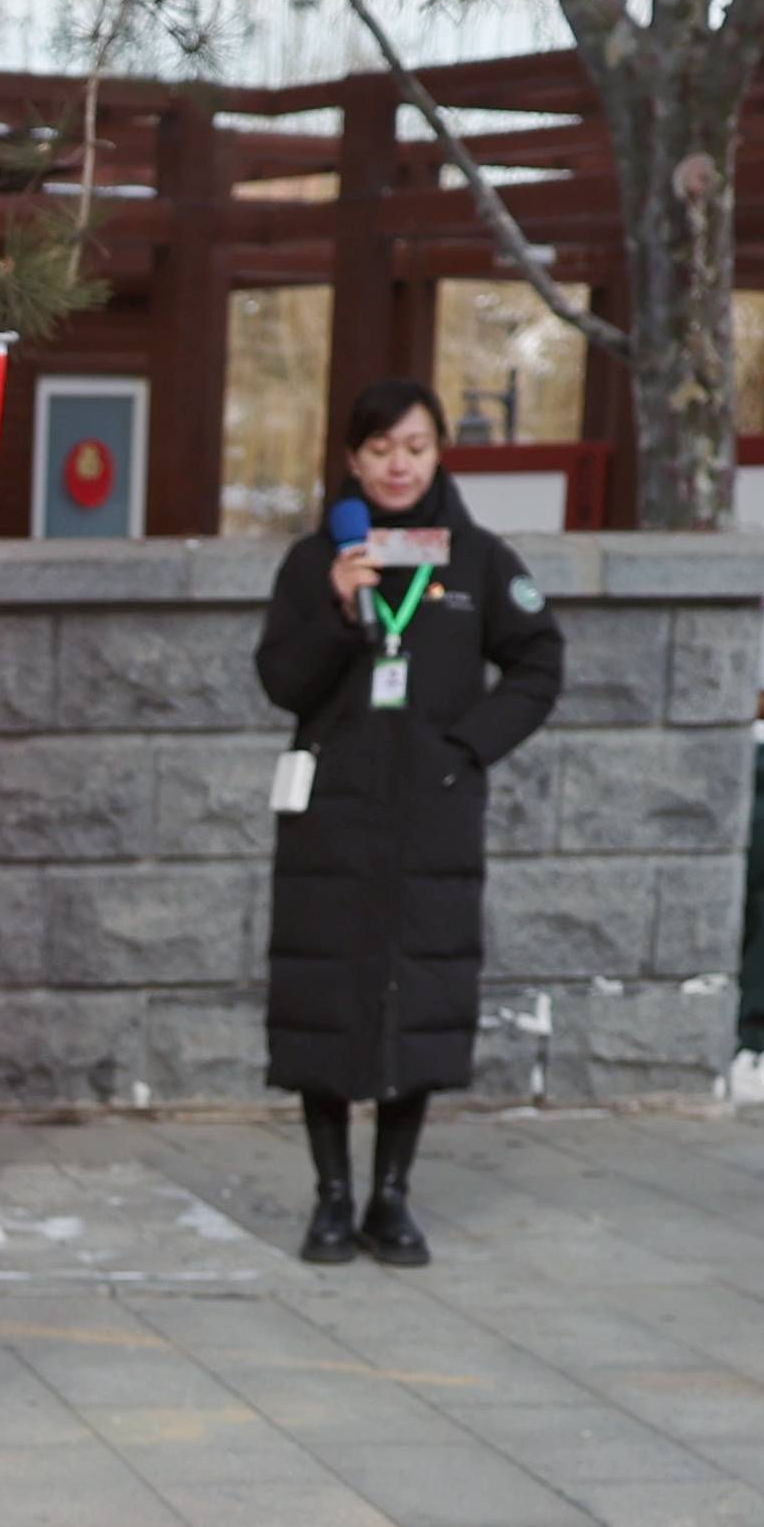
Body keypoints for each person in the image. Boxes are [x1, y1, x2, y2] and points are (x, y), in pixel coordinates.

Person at [255, 381, 569, 1269]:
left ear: (437, 455)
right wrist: (337, 610)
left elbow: (539, 662)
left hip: (432, 819)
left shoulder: (473, 559)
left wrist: (465, 749)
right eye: (381, 448)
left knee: (418, 998)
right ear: (352, 459)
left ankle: (390, 1197)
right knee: (324, 1000)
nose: (399, 464)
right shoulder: (315, 559)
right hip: (330, 818)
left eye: (416, 447)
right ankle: (330, 1198)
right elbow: (280, 681)